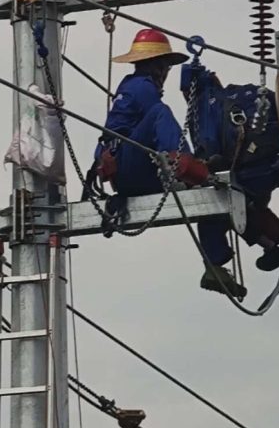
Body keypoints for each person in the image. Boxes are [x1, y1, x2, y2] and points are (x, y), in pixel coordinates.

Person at [88, 28, 247, 299]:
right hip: (128, 165)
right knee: (161, 114)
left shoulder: (133, 89)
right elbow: (155, 126)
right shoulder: (141, 87)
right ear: (156, 66)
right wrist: (187, 164)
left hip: (135, 172)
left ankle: (215, 264)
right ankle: (179, 165)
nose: (166, 74)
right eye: (165, 67)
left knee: (204, 193)